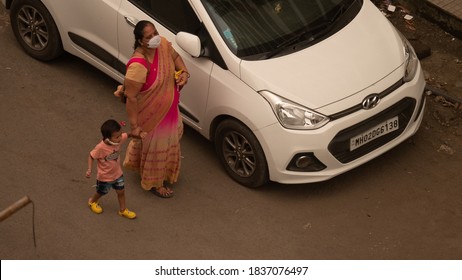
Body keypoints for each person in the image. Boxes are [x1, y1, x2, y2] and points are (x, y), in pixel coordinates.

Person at [115, 20, 189, 198]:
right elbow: (131, 98)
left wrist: (184, 72)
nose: (155, 38)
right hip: (151, 115)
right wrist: (134, 127)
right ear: (141, 41)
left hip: (169, 108)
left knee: (171, 138)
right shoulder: (138, 66)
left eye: (155, 33)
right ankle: (155, 183)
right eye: (149, 36)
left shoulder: (163, 44)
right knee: (157, 148)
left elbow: (176, 57)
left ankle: (153, 169)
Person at [86, 119, 144, 219]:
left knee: (121, 192)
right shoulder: (100, 148)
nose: (120, 138)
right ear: (108, 138)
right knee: (101, 192)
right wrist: (89, 169)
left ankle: (123, 210)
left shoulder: (119, 140)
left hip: (117, 174)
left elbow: (129, 134)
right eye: (117, 137)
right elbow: (91, 156)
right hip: (105, 177)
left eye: (120, 135)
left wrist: (139, 135)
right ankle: (92, 201)